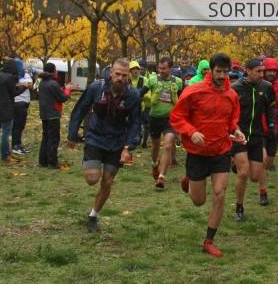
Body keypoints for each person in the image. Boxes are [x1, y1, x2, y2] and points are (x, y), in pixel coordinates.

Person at [170, 53, 244, 257]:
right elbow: (177, 116)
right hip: (197, 152)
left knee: (220, 194)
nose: (222, 75)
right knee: (199, 201)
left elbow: (232, 120)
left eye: (225, 71)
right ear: (210, 70)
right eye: (218, 71)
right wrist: (191, 132)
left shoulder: (231, 95)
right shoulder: (194, 91)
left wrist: (236, 130)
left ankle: (209, 240)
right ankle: (189, 178)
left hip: (221, 150)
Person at [67, 58, 142, 232]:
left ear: (128, 76)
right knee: (92, 179)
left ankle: (93, 216)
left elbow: (135, 123)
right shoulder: (96, 88)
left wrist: (128, 147)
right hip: (95, 137)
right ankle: (91, 164)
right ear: (111, 73)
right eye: (117, 74)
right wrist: (72, 134)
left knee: (107, 181)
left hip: (117, 142)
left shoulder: (133, 95)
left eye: (124, 75)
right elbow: (80, 109)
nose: (120, 78)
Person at [230, 59, 275, 219]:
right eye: (258, 71)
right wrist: (233, 130)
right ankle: (239, 208)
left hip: (256, 135)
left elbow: (270, 108)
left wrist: (271, 126)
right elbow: (228, 112)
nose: (262, 74)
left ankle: (239, 165)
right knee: (243, 173)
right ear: (247, 71)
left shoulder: (267, 87)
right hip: (239, 135)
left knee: (255, 176)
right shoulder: (235, 88)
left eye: (263, 71)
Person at [146, 57, 183, 189]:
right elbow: (141, 93)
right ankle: (154, 164)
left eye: (164, 68)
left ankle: (161, 177)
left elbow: (182, 99)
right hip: (155, 117)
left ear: (170, 68)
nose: (160, 71)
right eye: (159, 68)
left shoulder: (178, 82)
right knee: (155, 147)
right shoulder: (152, 80)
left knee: (167, 146)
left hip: (170, 118)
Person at [0, 58, 29, 162]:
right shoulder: (10, 77)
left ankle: (6, 152)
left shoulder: (0, 76)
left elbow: (7, 89)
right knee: (6, 133)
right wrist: (24, 87)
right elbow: (14, 93)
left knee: (3, 130)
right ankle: (4, 155)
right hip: (7, 108)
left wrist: (18, 85)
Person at [37, 63, 75, 168]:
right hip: (53, 114)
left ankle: (43, 161)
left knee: (45, 137)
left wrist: (63, 89)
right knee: (53, 139)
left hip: (44, 114)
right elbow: (62, 98)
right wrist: (68, 89)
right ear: (53, 71)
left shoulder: (42, 82)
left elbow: (54, 94)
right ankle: (52, 162)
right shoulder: (53, 83)